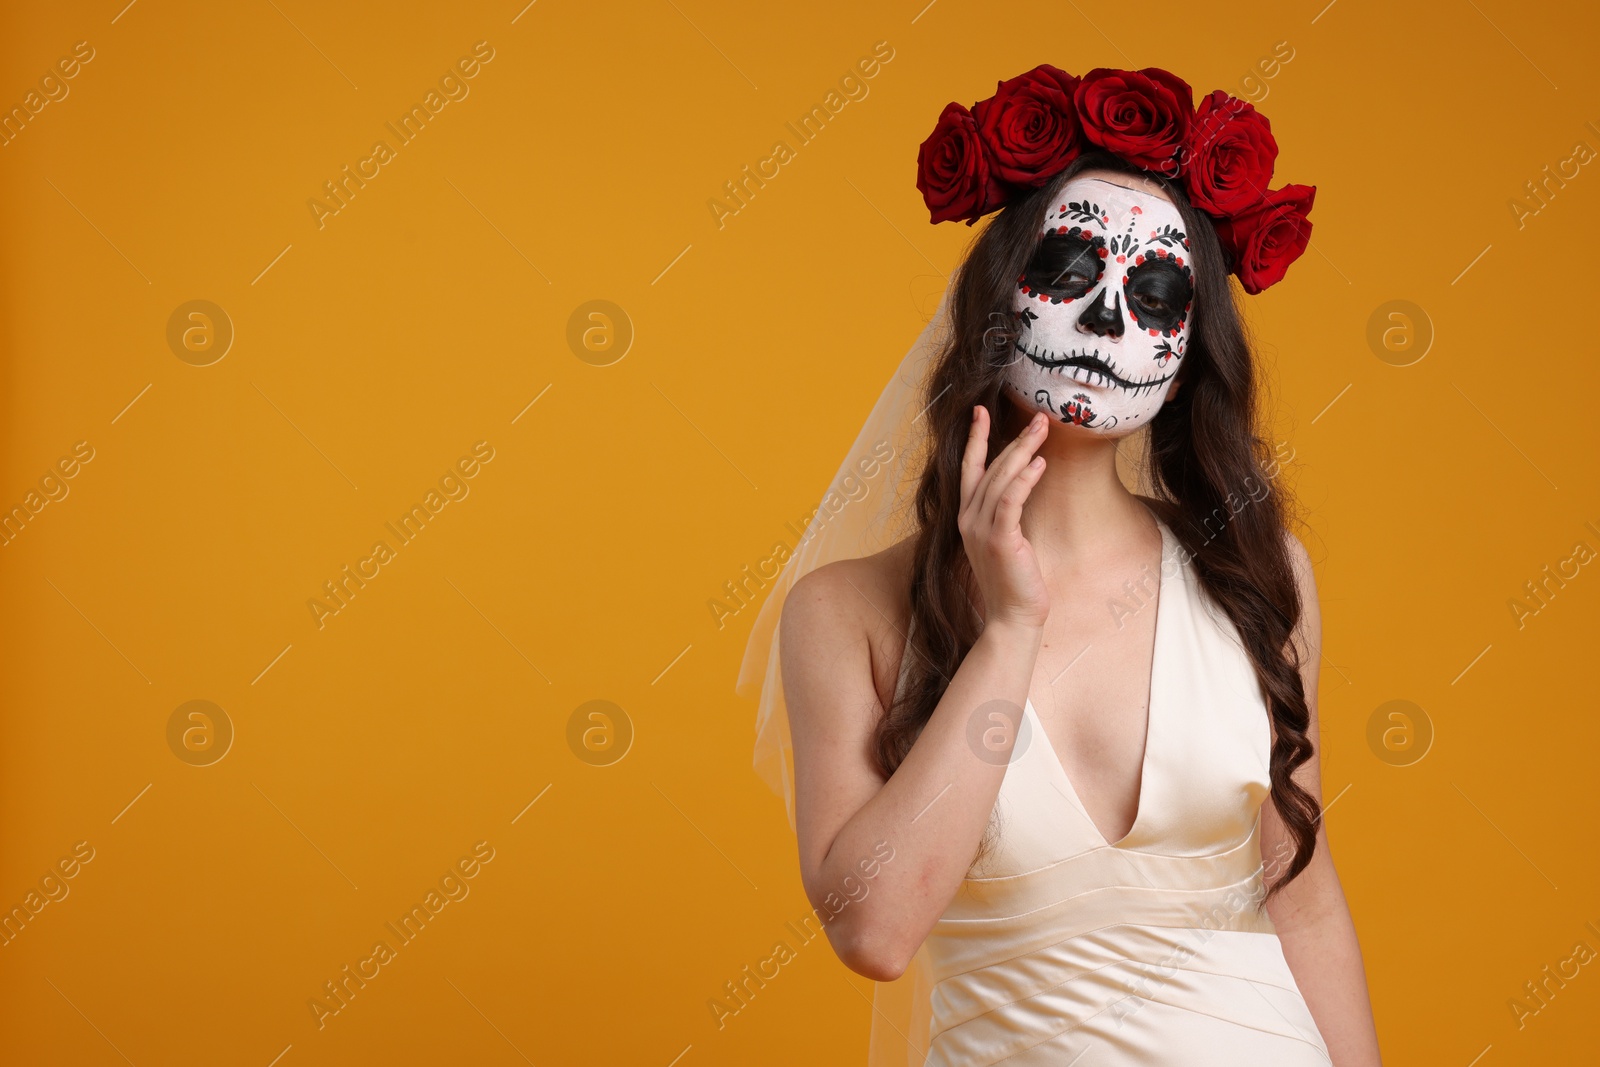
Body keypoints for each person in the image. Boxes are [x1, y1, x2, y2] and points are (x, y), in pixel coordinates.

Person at [739, 66, 1382, 1064]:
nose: (1105, 323)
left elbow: (1302, 900)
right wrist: (1006, 630)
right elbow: (872, 933)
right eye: (1070, 273)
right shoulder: (843, 611)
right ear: (995, 307)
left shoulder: (1258, 574)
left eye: (1156, 293)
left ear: (1188, 350)